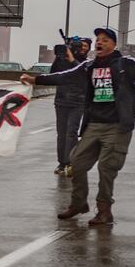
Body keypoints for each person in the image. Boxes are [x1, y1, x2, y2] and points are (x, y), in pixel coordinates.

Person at [20, 28, 135, 226]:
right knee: (75, 163)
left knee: (107, 168)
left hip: (117, 126)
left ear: (113, 44)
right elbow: (65, 76)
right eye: (97, 40)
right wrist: (36, 80)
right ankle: (78, 204)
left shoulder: (124, 64)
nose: (99, 43)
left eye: (104, 40)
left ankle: (104, 212)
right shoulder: (89, 66)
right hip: (94, 124)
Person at [50, 36, 91, 176]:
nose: (82, 48)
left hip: (78, 102)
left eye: (85, 46)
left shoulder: (87, 63)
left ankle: (70, 163)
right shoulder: (65, 59)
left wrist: (72, 59)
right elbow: (53, 73)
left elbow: (83, 74)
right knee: (61, 134)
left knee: (71, 133)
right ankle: (62, 163)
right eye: (80, 45)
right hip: (61, 100)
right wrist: (59, 56)